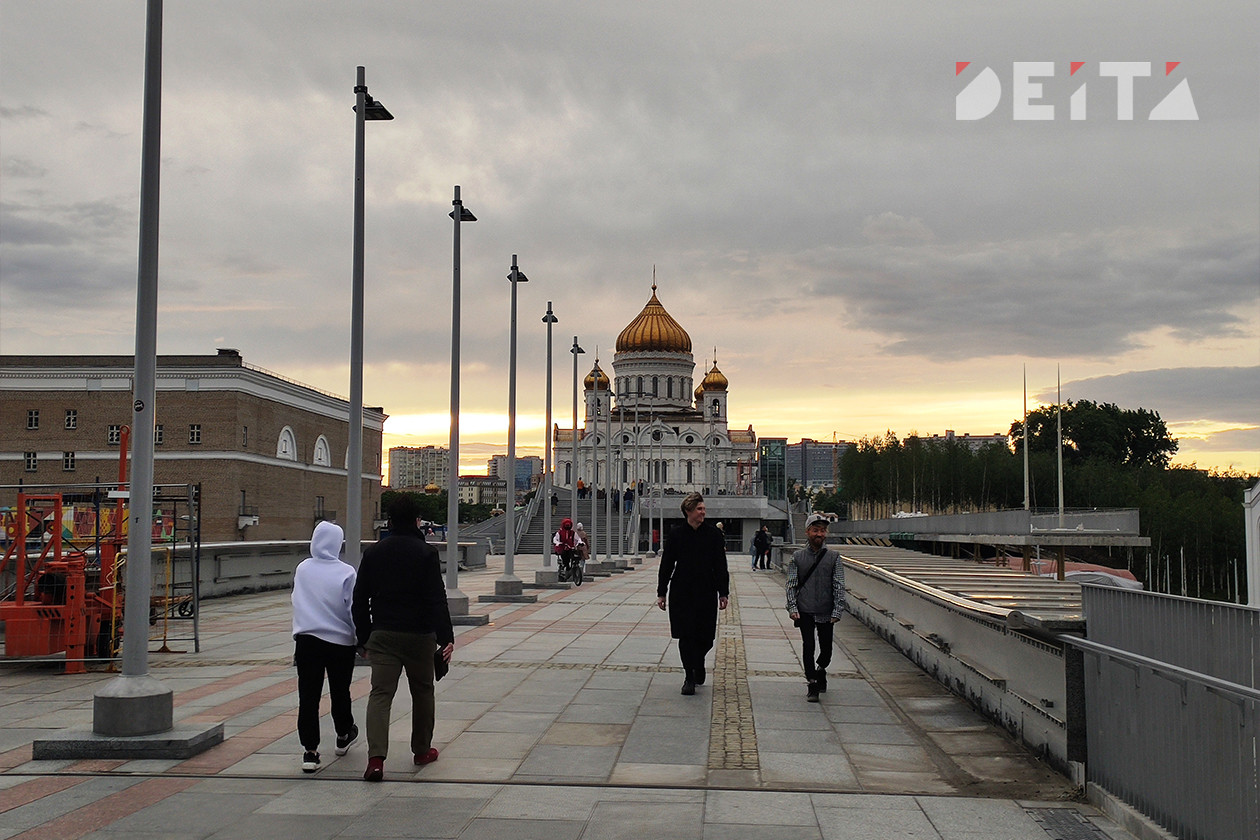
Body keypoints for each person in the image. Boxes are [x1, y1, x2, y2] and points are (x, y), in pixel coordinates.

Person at [352, 495, 455, 782]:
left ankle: (375, 760)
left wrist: (363, 638)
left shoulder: (374, 553)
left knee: (380, 694)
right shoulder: (426, 553)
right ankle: (421, 750)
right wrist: (446, 636)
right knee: (422, 691)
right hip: (420, 636)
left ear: (390, 521)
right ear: (416, 521)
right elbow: (437, 598)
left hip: (383, 634)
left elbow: (359, 599)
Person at [292, 520, 358, 773]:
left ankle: (310, 751)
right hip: (340, 642)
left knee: (308, 697)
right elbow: (352, 609)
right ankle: (343, 733)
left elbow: (296, 599)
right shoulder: (347, 572)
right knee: (340, 691)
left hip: (307, 640)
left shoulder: (303, 569)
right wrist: (359, 639)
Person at [656, 493, 729, 696]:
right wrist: (661, 592)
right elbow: (667, 564)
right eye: (699, 509)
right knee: (686, 635)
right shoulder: (677, 534)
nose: (703, 512)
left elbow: (721, 565)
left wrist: (724, 592)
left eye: (704, 508)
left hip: (706, 591)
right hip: (682, 591)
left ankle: (699, 662)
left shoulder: (713, 535)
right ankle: (689, 676)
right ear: (688, 511)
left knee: (706, 637)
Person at [786, 513, 846, 702]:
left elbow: (839, 585)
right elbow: (791, 584)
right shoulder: (797, 557)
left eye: (822, 530)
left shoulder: (834, 557)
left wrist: (837, 610)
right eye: (815, 530)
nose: (819, 534)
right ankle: (812, 682)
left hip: (826, 611)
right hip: (805, 609)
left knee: (826, 649)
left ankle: (821, 669)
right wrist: (792, 607)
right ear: (807, 532)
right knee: (808, 646)